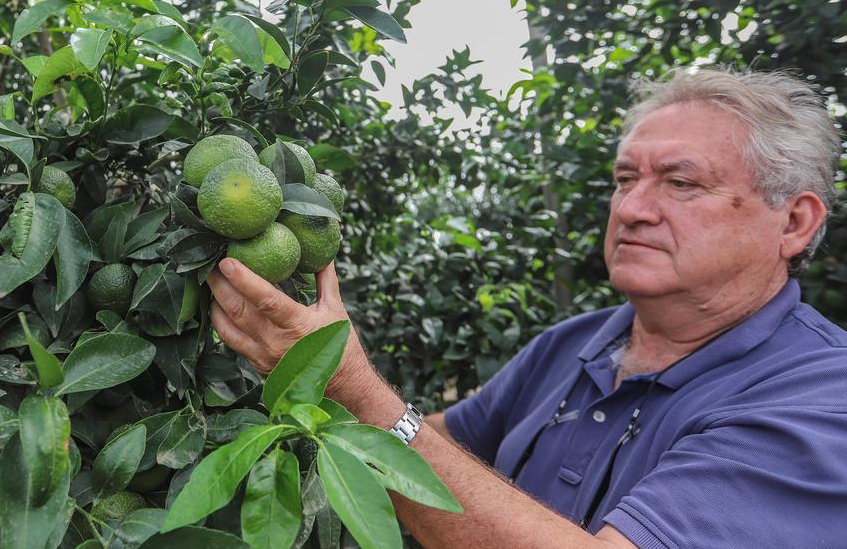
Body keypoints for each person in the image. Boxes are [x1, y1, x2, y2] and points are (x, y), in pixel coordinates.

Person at [207, 68, 847, 548]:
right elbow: (438, 441)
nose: (630, 209)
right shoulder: (578, 343)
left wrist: (349, 384)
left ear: (792, 222)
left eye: (682, 183)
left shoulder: (819, 397)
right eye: (625, 180)